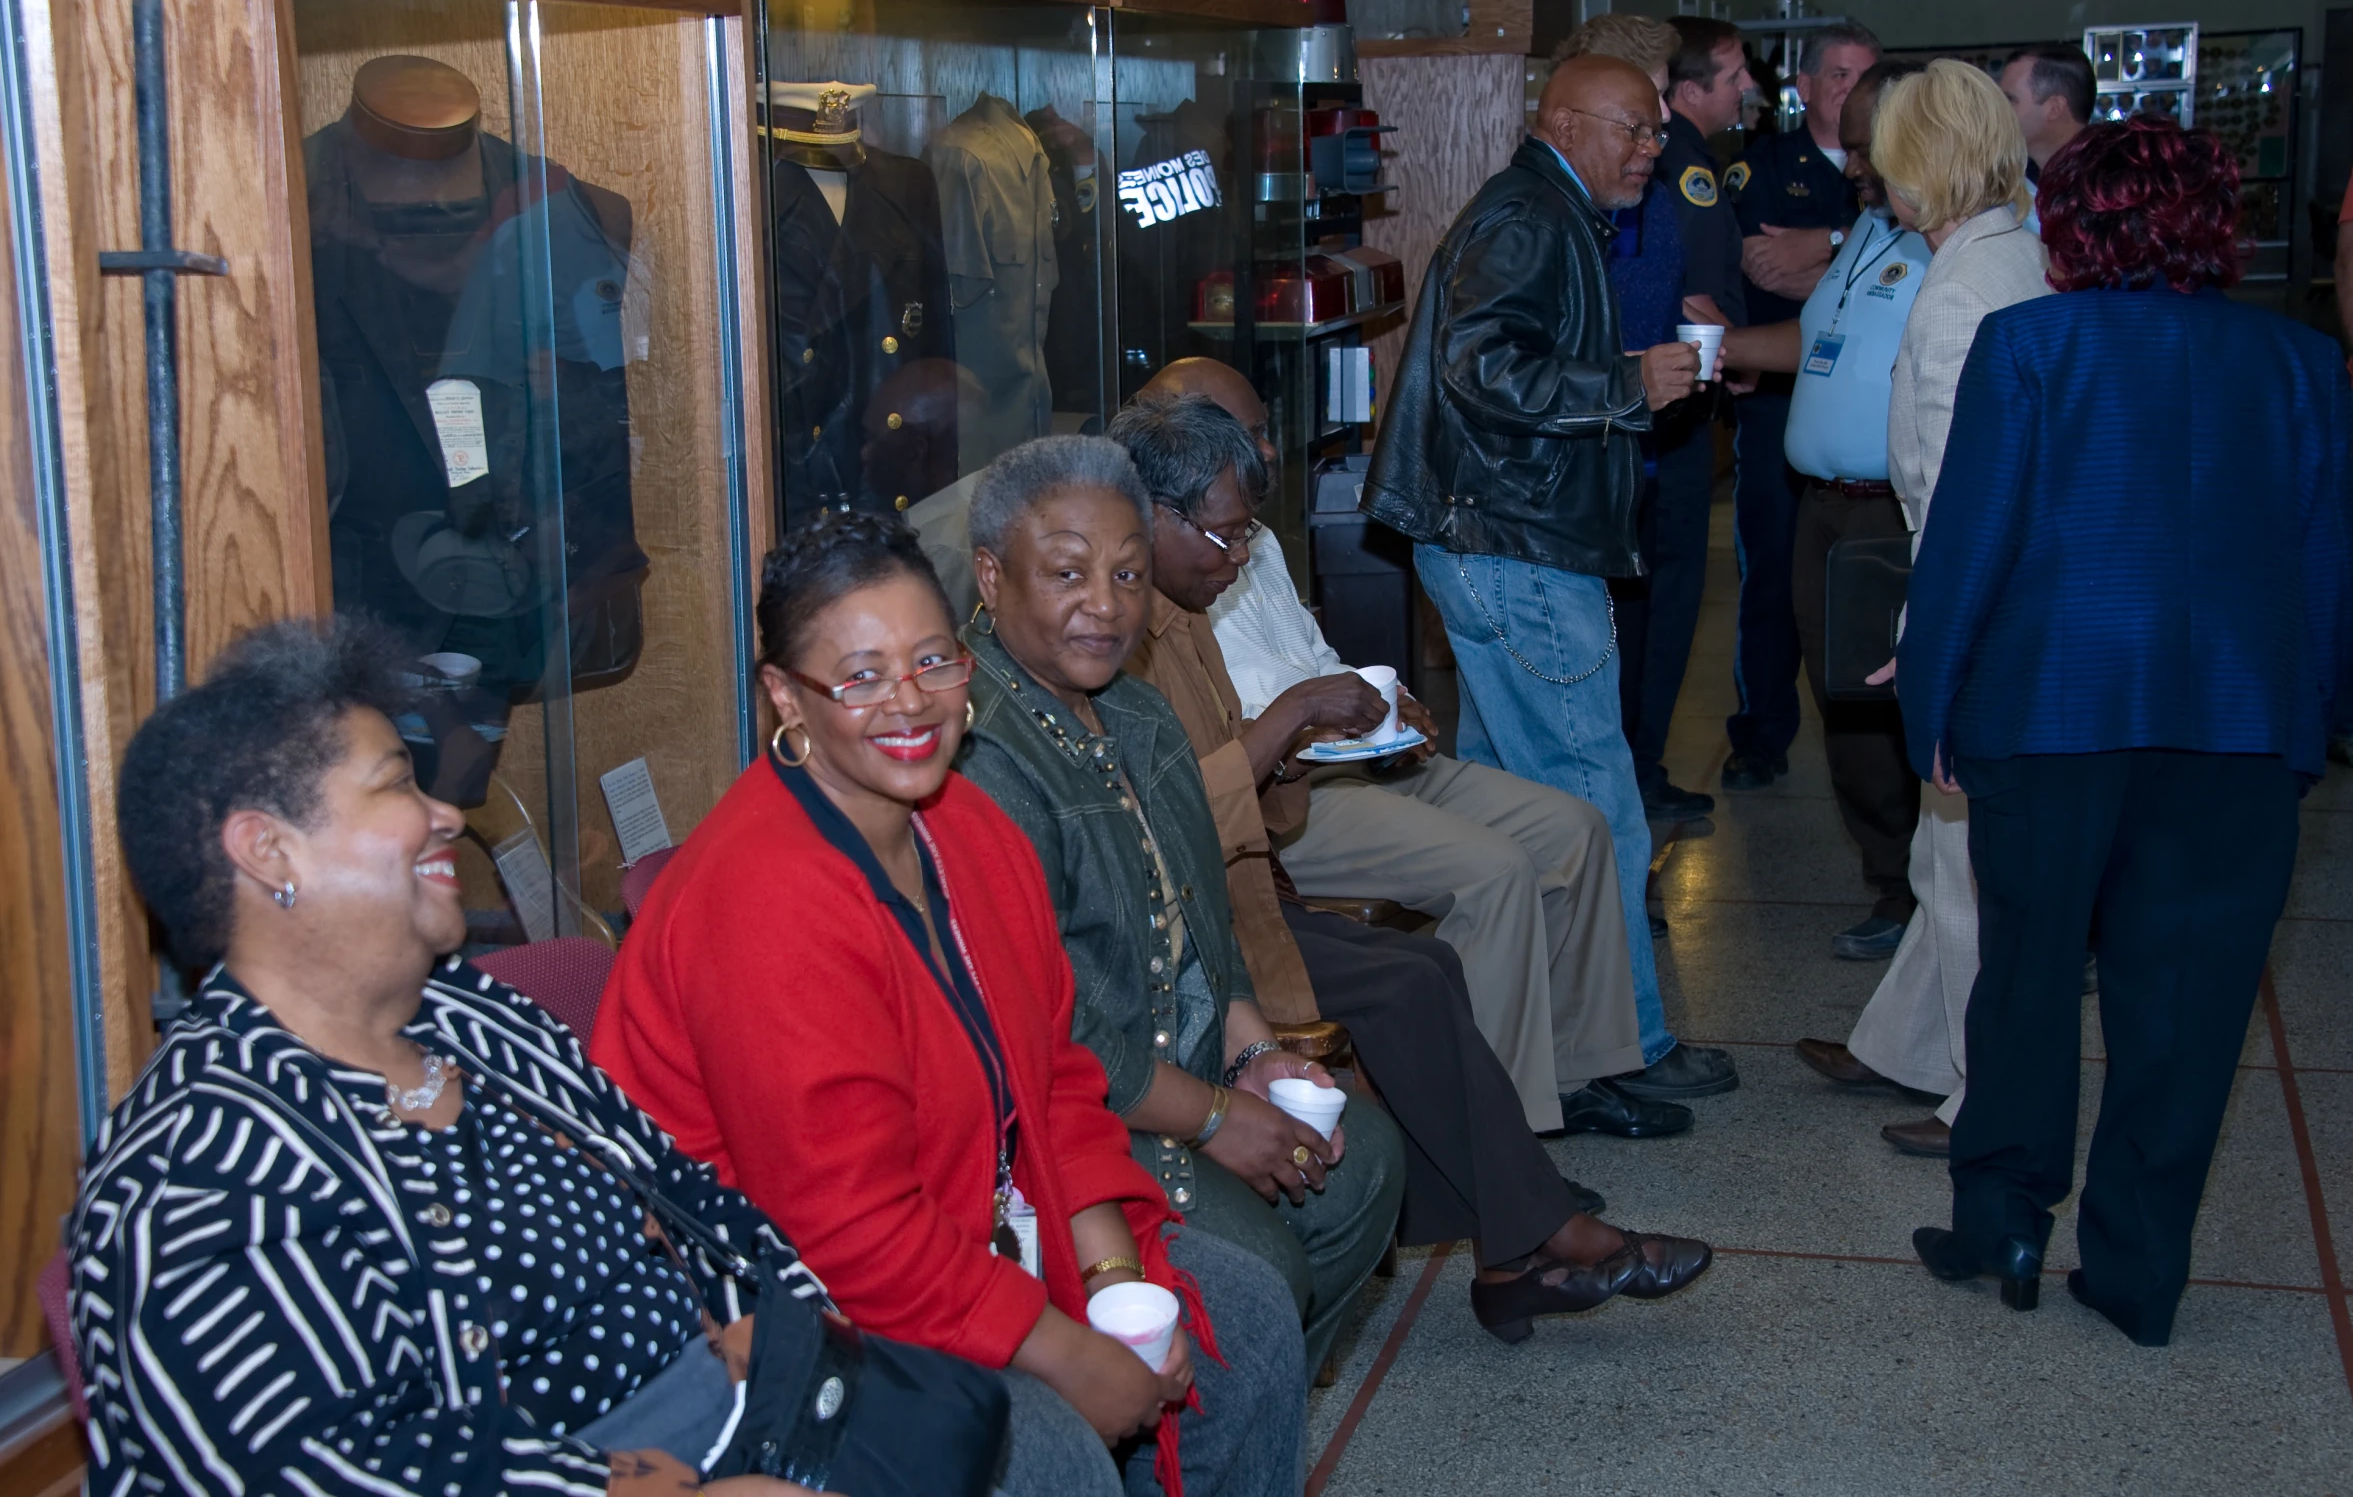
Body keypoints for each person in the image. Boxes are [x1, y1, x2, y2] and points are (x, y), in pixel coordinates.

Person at [593, 509, 1305, 1495]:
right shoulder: (761, 899)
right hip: (777, 1305)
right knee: (1049, 1454)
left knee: (1247, 1328)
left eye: (934, 662)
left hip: (975, 1218)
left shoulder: (966, 827)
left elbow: (1053, 1078)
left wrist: (1110, 1283)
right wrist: (1064, 1352)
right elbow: (846, 1233)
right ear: (783, 699)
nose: (909, 703)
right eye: (860, 676)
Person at [962, 435, 1712, 1349]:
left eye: (1126, 576)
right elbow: (1046, 1036)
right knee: (1266, 1270)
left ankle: (1509, 1239)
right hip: (1077, 1120)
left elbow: (1203, 910)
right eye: (1068, 575)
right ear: (992, 579)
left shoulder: (1131, 708)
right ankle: (1508, 1244)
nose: (1104, 605)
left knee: (1365, 1163)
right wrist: (1211, 1113)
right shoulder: (984, 759)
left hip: (1195, 1032)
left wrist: (1250, 1056)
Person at [71, 616, 819, 1497]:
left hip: (756, 1423)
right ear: (270, 851)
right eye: (397, 785)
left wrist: (792, 1339)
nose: (446, 815)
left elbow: (683, 1191)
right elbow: (320, 1470)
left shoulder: (472, 1014)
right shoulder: (194, 1167)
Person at [1900, 113, 2352, 1344]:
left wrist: (1932, 703)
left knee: (2027, 980)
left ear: (2072, 226)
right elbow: (2327, 566)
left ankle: (1999, 1217)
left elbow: (1967, 543)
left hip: (2053, 709)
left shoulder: (2030, 345)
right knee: (2191, 1006)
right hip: (2242, 727)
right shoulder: (2300, 363)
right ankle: (2139, 1273)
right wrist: (2315, 722)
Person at [1363, 52, 1739, 1104]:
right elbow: (1478, 366)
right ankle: (1618, 1051)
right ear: (1565, 122)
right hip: (1512, 543)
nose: (1650, 154)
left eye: (1657, 135)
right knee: (1589, 803)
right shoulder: (1529, 214)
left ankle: (1514, 1040)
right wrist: (1627, 382)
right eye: (1632, 132)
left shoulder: (1544, 208)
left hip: (1499, 536)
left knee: (1507, 807)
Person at [1157, 356, 1660, 1140]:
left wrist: (1383, 705)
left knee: (1574, 829)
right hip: (1284, 798)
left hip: (1350, 754)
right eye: (1242, 434)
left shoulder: (1248, 535)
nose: (1262, 451)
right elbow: (1221, 752)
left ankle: (1575, 1069)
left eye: (1261, 430)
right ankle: (1503, 1126)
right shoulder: (1166, 564)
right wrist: (1311, 720)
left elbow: (1311, 660)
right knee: (1493, 874)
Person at [1804, 58, 2052, 1162]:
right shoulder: (2011, 252)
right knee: (1937, 857)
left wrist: (1927, 638)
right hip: (2006, 592)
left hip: (1974, 603)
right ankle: (1903, 1043)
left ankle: (1976, 1092)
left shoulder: (1959, 295)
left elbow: (1961, 494)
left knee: (1960, 871)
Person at [1710, 60, 1930, 964]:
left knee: (1890, 710)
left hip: (1892, 510)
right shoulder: (1876, 230)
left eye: (1868, 140)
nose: (1850, 161)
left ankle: (1923, 895)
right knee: (1845, 707)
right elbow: (1816, 341)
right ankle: (1894, 882)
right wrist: (1719, 349)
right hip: (1826, 508)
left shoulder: (1951, 239)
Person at [1566, 14, 1727, 826]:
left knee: (1651, 624)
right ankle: (1608, 815)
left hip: (1648, 443)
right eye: (1654, 98)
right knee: (1600, 644)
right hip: (1593, 450)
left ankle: (1637, 773)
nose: (1666, 117)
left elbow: (1663, 293)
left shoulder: (1648, 193)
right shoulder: (1559, 208)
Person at [1720, 21, 1881, 793]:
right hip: (1776, 406)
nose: (1855, 91)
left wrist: (1827, 241)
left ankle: (1875, 733)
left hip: (1865, 423)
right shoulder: (1763, 170)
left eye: (1867, 76)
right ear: (1808, 86)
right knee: (1771, 577)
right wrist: (1828, 264)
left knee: (1867, 582)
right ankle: (1760, 735)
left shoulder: (1883, 176)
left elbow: (1836, 287)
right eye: (1841, 75)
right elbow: (1769, 279)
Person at [1996, 41, 2093, 215]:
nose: (1997, 111)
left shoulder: (2107, 194)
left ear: (2054, 108)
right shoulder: (2008, 183)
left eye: (2009, 100)